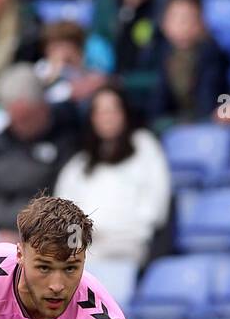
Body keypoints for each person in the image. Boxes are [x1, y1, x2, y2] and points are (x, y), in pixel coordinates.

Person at [53, 83, 170, 296]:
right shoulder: (79, 164)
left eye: (112, 110)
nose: (107, 117)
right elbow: (62, 214)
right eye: (100, 111)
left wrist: (131, 231)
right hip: (87, 254)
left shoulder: (145, 148)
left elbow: (157, 205)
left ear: (124, 113)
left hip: (129, 249)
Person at [0, 64, 79, 244]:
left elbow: (63, 201)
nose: (20, 125)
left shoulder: (65, 141)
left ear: (42, 108)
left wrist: (29, 235)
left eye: (26, 118)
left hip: (38, 239)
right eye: (15, 119)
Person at [150, 0, 227, 124]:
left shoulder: (211, 54)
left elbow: (214, 96)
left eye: (188, 18)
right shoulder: (163, 54)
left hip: (205, 122)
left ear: (202, 23)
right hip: (175, 123)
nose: (182, 25)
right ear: (164, 24)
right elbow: (159, 100)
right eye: (176, 18)